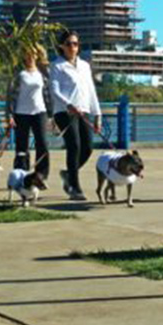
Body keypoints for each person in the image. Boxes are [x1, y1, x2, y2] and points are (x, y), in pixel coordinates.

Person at [50, 30, 102, 201]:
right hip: (64, 112)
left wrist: (98, 114)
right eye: (69, 44)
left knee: (88, 148)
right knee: (74, 146)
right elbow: (54, 90)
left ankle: (68, 174)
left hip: (84, 110)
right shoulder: (57, 65)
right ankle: (75, 187)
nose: (73, 47)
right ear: (62, 46)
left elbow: (91, 91)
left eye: (76, 44)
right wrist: (69, 105)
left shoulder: (85, 66)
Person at [6, 44, 52, 178]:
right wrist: (9, 115)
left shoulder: (43, 73)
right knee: (22, 146)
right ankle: (21, 173)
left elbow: (48, 95)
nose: (30, 57)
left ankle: (41, 174)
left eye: (33, 54)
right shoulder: (18, 74)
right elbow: (10, 97)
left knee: (42, 144)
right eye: (27, 54)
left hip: (40, 112)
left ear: (37, 56)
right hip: (21, 114)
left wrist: (51, 114)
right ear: (24, 56)